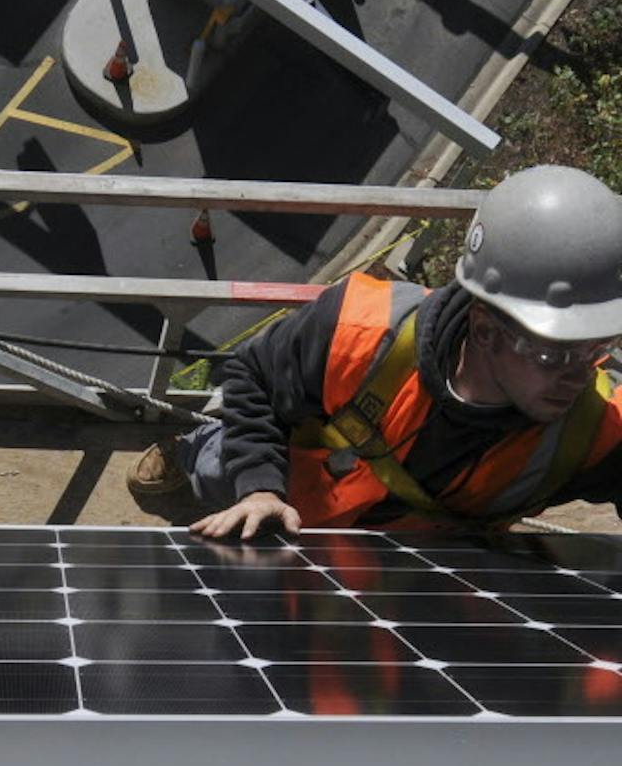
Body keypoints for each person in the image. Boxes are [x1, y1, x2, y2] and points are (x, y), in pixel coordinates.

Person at [128, 165, 622, 539]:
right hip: (288, 495)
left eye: (597, 347)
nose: (579, 375)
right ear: (487, 330)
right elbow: (252, 375)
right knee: (217, 472)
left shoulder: (597, 429)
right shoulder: (357, 327)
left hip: (385, 568)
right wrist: (259, 487)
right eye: (553, 355)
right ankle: (190, 456)